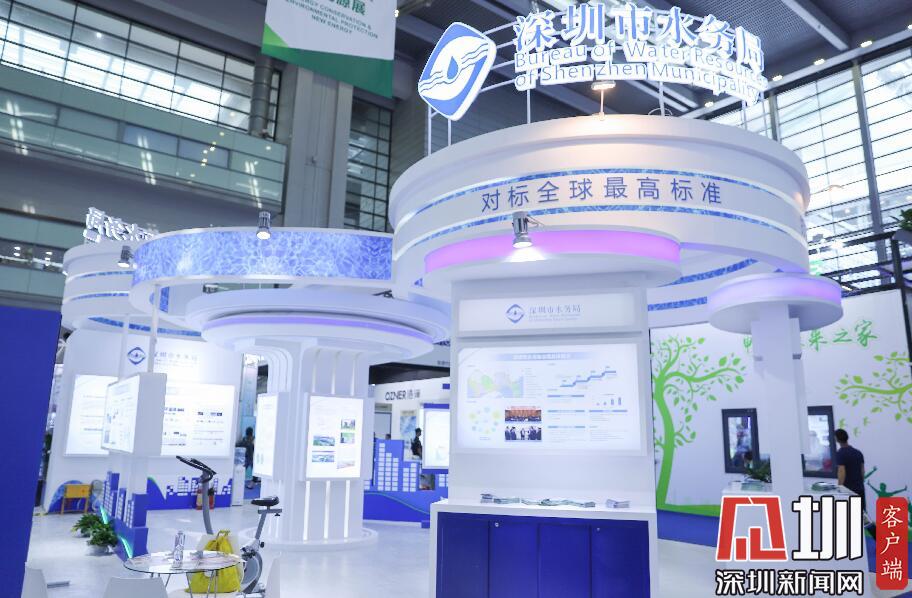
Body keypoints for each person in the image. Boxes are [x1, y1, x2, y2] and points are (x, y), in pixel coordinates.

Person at [834, 429, 866, 513]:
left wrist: (839, 487)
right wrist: (860, 483)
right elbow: (862, 471)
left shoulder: (840, 453)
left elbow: (842, 472)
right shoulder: (858, 452)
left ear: (836, 439)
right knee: (861, 513)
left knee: (849, 514)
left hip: (848, 490)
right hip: (859, 488)